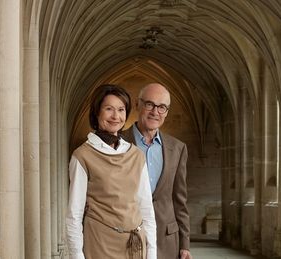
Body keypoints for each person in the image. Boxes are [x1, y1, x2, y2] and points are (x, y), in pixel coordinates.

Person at [66, 84, 156, 259]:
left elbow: (146, 208)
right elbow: (74, 214)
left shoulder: (136, 155)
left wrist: (151, 253)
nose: (116, 116)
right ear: (96, 113)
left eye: (121, 110)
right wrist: (76, 255)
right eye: (109, 109)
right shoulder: (82, 156)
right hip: (99, 245)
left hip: (135, 247)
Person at [123, 83, 192, 259]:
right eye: (149, 104)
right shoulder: (119, 142)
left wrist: (185, 245)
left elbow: (180, 200)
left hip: (167, 239)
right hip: (125, 235)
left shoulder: (177, 148)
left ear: (167, 112)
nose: (155, 112)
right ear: (138, 105)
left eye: (162, 107)